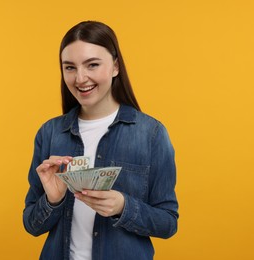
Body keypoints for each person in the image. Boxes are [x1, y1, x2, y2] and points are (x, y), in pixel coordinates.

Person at [23, 21, 178, 260]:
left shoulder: (151, 134)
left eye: (92, 65)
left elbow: (168, 222)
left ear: (115, 66)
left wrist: (123, 207)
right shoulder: (50, 133)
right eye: (70, 67)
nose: (80, 78)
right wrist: (53, 201)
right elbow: (32, 225)